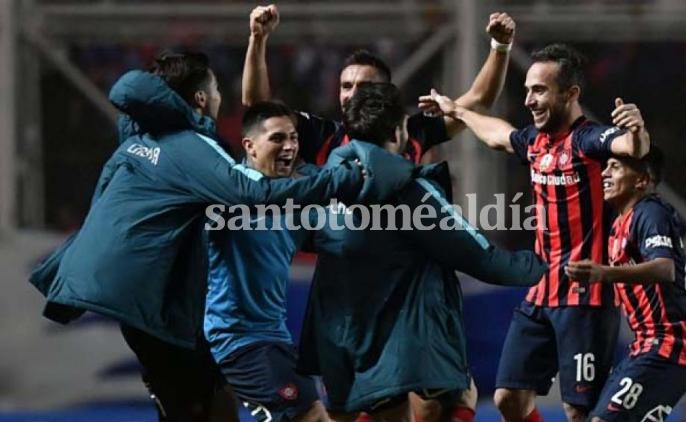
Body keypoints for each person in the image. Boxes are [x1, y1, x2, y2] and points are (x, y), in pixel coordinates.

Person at [29, 52, 418, 422]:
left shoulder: (140, 140)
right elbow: (251, 192)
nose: (220, 98)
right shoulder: (194, 150)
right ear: (201, 99)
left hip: (168, 311)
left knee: (208, 405)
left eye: (293, 140)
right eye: (215, 90)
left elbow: (103, 199)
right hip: (197, 322)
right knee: (214, 407)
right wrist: (348, 178)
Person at [298, 81, 549, 422]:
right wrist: (547, 265)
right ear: (399, 130)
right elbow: (481, 257)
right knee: (458, 395)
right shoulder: (410, 191)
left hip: (337, 348)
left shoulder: (320, 189)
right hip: (399, 353)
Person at [425, 43, 651, 422]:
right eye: (528, 90)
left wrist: (638, 133)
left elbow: (629, 145)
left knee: (578, 411)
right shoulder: (535, 141)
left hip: (587, 299)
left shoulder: (589, 140)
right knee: (507, 399)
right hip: (542, 292)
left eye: (539, 90)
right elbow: (498, 134)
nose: (529, 99)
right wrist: (459, 111)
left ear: (570, 94)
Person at [243, 4, 517, 166]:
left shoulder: (416, 132)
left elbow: (479, 99)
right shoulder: (322, 135)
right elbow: (259, 109)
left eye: (363, 86)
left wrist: (500, 46)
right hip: (343, 261)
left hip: (401, 261)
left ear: (386, 94)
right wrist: (258, 39)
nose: (352, 94)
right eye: (346, 86)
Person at [204, 101, 330, 422]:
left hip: (273, 336)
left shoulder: (297, 199)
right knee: (312, 416)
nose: (289, 146)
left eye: (293, 138)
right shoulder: (227, 192)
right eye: (277, 139)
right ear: (250, 146)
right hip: (237, 339)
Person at [565, 148, 686, 422]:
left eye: (615, 167)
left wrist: (603, 273)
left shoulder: (650, 212)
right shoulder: (619, 225)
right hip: (645, 346)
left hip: (669, 344)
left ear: (641, 180)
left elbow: (665, 268)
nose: (604, 173)